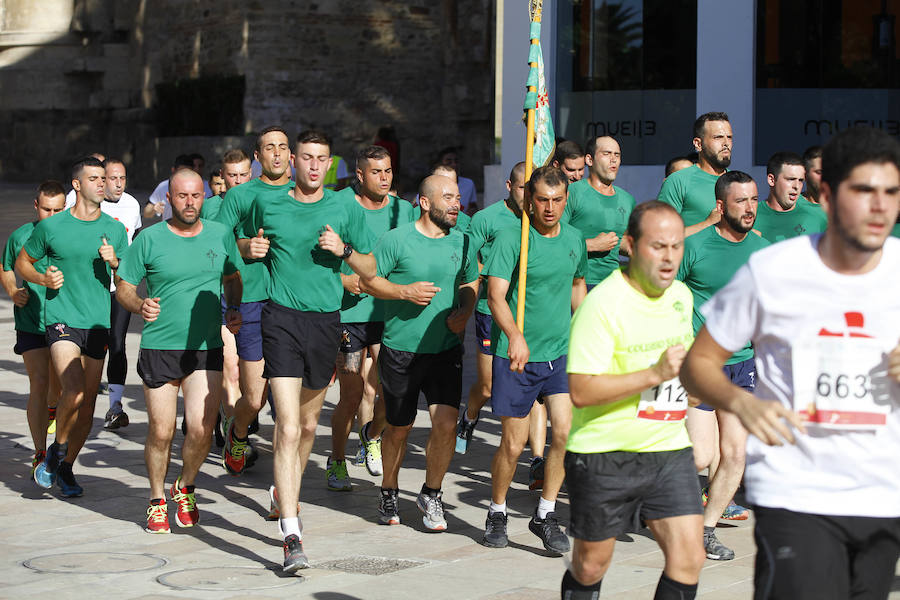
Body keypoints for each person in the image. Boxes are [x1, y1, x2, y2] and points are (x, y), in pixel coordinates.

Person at [680, 125, 900, 600]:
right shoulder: (773, 269)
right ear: (829, 193)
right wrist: (745, 403)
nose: (879, 205)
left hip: (881, 492)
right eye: (864, 191)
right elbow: (698, 365)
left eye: (891, 192)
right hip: (798, 493)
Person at [242, 129, 376, 573]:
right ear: (293, 163)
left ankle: (286, 492)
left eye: (322, 158)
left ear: (330, 164)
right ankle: (292, 533)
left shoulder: (343, 207)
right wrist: (249, 248)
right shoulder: (268, 203)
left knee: (307, 423)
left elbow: (371, 267)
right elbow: (235, 244)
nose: (315, 166)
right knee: (287, 423)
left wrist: (345, 249)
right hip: (280, 319)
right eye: (307, 158)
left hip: (326, 323)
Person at [561, 200, 705, 600]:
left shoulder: (681, 296)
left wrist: (693, 383)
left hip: (668, 448)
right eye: (658, 246)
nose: (669, 257)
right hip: (604, 453)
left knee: (689, 558)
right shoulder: (601, 305)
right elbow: (581, 390)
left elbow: (683, 364)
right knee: (591, 565)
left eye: (676, 247)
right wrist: (654, 374)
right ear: (630, 244)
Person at [116, 169, 243, 533]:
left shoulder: (220, 235)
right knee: (161, 430)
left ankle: (185, 486)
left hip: (205, 346)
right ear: (168, 198)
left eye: (196, 196)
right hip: (159, 346)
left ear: (204, 197)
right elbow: (123, 285)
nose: (190, 203)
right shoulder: (149, 238)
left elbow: (233, 277)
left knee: (202, 429)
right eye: (182, 196)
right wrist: (139, 305)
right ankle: (157, 498)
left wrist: (233, 307)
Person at [360, 174, 478, 531]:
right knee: (399, 428)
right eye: (447, 198)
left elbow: (471, 281)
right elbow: (369, 281)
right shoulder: (396, 240)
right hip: (401, 350)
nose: (456, 204)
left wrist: (465, 310)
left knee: (444, 424)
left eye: (457, 197)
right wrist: (404, 293)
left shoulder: (464, 240)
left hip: (445, 349)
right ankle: (389, 489)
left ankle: (432, 493)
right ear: (425, 203)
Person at [480, 166, 587, 554]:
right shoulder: (513, 239)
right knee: (513, 444)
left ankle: (544, 513)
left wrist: (587, 332)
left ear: (566, 201)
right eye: (542, 199)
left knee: (564, 432)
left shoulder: (575, 239)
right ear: (529, 199)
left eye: (557, 200)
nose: (549, 208)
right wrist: (515, 335)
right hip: (518, 358)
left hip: (558, 354)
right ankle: (497, 510)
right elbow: (495, 296)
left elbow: (578, 286)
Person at [18, 156, 127, 496]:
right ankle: (58, 450)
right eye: (94, 178)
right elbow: (24, 262)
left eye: (104, 178)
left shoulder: (116, 229)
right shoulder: (52, 227)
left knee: (89, 404)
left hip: (97, 322)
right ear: (77, 185)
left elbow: (127, 282)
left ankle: (64, 465)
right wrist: (42, 278)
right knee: (74, 389)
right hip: (62, 320)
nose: (102, 183)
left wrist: (115, 263)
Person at [677, 170, 770, 560]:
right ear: (720, 206)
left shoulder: (762, 251)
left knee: (734, 455)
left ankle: (707, 529)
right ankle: (653, 496)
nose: (750, 208)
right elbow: (666, 297)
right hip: (700, 364)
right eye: (741, 201)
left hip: (742, 365)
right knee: (700, 456)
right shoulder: (694, 246)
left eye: (753, 200)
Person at [328, 145, 414, 490]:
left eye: (388, 171)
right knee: (351, 396)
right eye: (376, 172)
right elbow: (317, 258)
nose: (384, 178)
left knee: (392, 390)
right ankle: (335, 461)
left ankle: (371, 434)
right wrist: (342, 280)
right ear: (360, 175)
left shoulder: (404, 211)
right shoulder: (339, 205)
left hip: (389, 311)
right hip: (351, 314)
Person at [216, 131, 294, 475]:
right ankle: (237, 431)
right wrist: (244, 248)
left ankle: (285, 483)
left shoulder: (308, 195)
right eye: (269, 149)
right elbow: (215, 242)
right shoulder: (241, 195)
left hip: (297, 303)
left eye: (282, 148)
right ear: (258, 156)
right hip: (253, 300)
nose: (276, 155)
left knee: (291, 403)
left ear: (291, 155)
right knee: (254, 397)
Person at [456, 163, 527, 454]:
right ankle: (470, 416)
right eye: (523, 187)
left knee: (526, 385)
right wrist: (491, 271)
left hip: (526, 310)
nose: (528, 194)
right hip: (489, 309)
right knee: (486, 387)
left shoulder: (540, 219)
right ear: (510, 187)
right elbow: (467, 263)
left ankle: (528, 452)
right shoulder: (487, 218)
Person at [2, 181, 66, 473]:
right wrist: (14, 292)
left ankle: (53, 409)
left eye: (58, 210)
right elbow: (6, 268)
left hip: (66, 322)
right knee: (38, 384)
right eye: (46, 210)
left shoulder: (72, 235)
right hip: (30, 320)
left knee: (59, 389)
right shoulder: (21, 236)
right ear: (36, 206)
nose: (51, 216)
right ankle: (41, 453)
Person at [98, 158, 143, 430]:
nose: (117, 183)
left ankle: (115, 406)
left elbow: (135, 242)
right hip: (92, 289)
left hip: (120, 287)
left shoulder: (133, 205)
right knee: (90, 347)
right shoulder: (88, 204)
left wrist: (130, 275)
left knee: (117, 343)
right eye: (112, 178)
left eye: (122, 178)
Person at [562, 136, 636, 289]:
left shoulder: (627, 200)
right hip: (576, 284)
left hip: (614, 287)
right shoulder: (572, 193)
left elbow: (624, 244)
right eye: (607, 154)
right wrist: (590, 245)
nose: (613, 159)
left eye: (617, 155)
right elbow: (552, 240)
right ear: (589, 160)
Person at [658, 112, 733, 236]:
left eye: (729, 137)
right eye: (718, 137)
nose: (726, 143)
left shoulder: (739, 184)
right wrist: (708, 224)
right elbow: (661, 235)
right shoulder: (678, 181)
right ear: (698, 144)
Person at [753, 152, 827, 243]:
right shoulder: (750, 217)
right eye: (790, 179)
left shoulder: (816, 220)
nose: (796, 186)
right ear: (771, 180)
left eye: (800, 180)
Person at [144, 154, 196, 220]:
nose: (184, 176)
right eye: (181, 172)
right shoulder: (163, 187)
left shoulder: (200, 187)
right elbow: (146, 213)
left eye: (195, 195)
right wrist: (153, 209)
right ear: (173, 170)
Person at [438, 147, 478, 215]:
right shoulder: (431, 184)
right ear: (439, 165)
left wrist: (472, 212)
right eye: (448, 162)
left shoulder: (468, 184)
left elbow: (473, 206)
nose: (454, 164)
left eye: (456, 161)